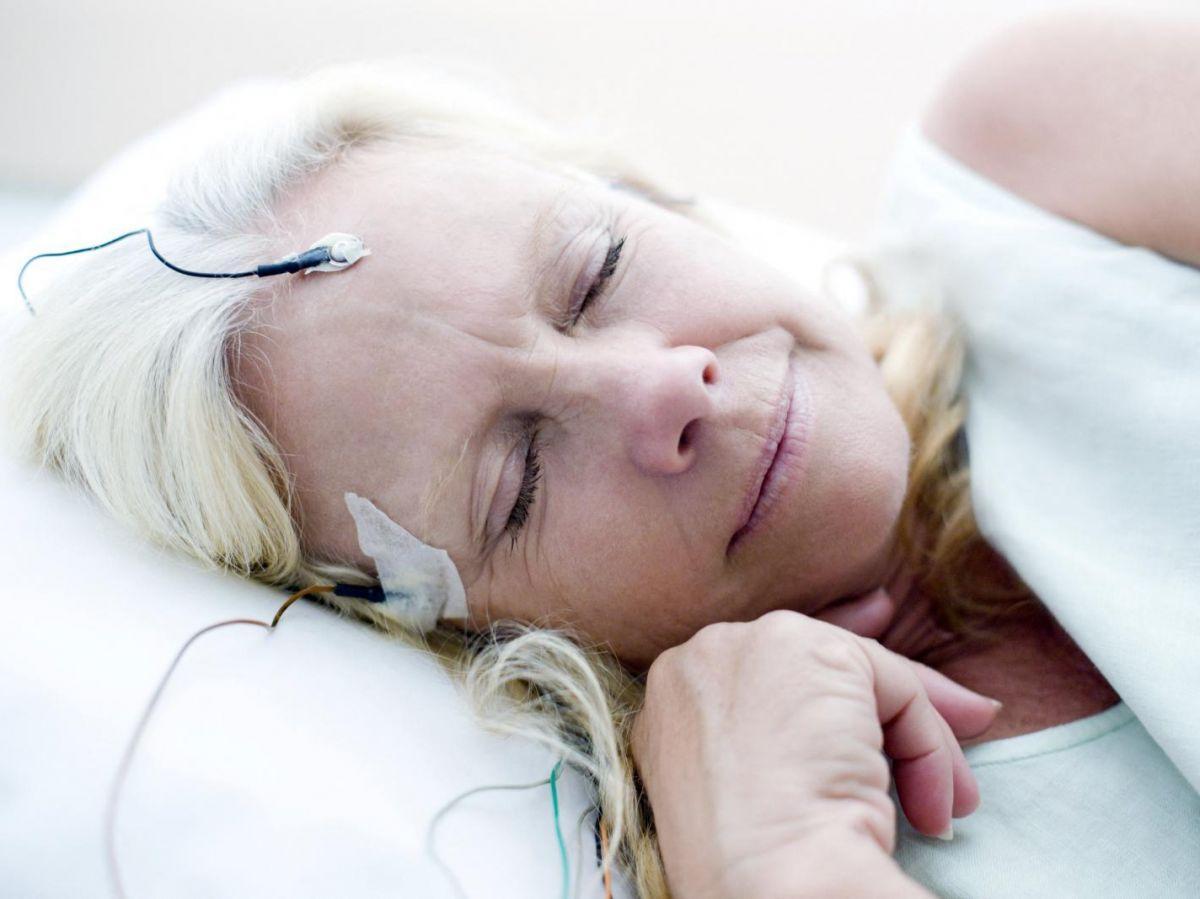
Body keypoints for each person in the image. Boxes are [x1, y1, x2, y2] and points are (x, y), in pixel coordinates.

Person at [4, 11, 1197, 896]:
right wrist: (788, 863)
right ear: (464, 632)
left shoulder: (1043, 185)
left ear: (654, 194)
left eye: (597, 271)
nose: (662, 388)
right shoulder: (769, 851)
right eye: (519, 484)